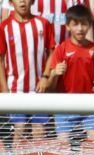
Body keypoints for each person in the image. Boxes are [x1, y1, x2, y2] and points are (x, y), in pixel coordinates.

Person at [41, 4, 94, 143]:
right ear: (68, 26)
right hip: (64, 107)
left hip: (90, 107)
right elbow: (51, 88)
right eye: (75, 24)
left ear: (89, 25)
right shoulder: (61, 49)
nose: (80, 28)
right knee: (63, 145)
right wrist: (54, 74)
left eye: (83, 24)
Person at [0, 0, 54, 145]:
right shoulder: (4, 26)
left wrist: (45, 77)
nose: (22, 1)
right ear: (11, 2)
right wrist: (4, 89)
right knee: (19, 130)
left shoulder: (43, 23)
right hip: (14, 90)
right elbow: (0, 59)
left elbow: (52, 52)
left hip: (38, 89)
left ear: (33, 1)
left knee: (39, 132)